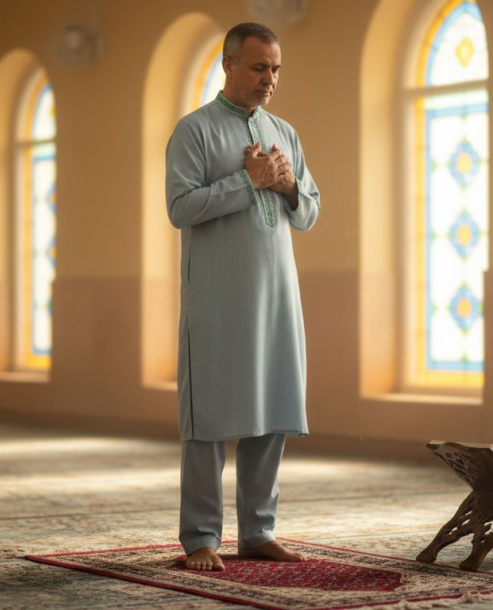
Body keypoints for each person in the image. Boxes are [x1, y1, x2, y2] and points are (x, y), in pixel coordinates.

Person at [165, 22, 320, 571]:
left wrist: (285, 185)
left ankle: (258, 531)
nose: (268, 79)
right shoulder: (194, 131)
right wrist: (246, 181)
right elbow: (180, 208)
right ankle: (200, 537)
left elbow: (310, 211)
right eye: (258, 67)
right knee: (209, 418)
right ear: (228, 64)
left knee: (273, 411)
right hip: (218, 300)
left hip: (277, 295)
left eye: (275, 69)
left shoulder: (285, 133)